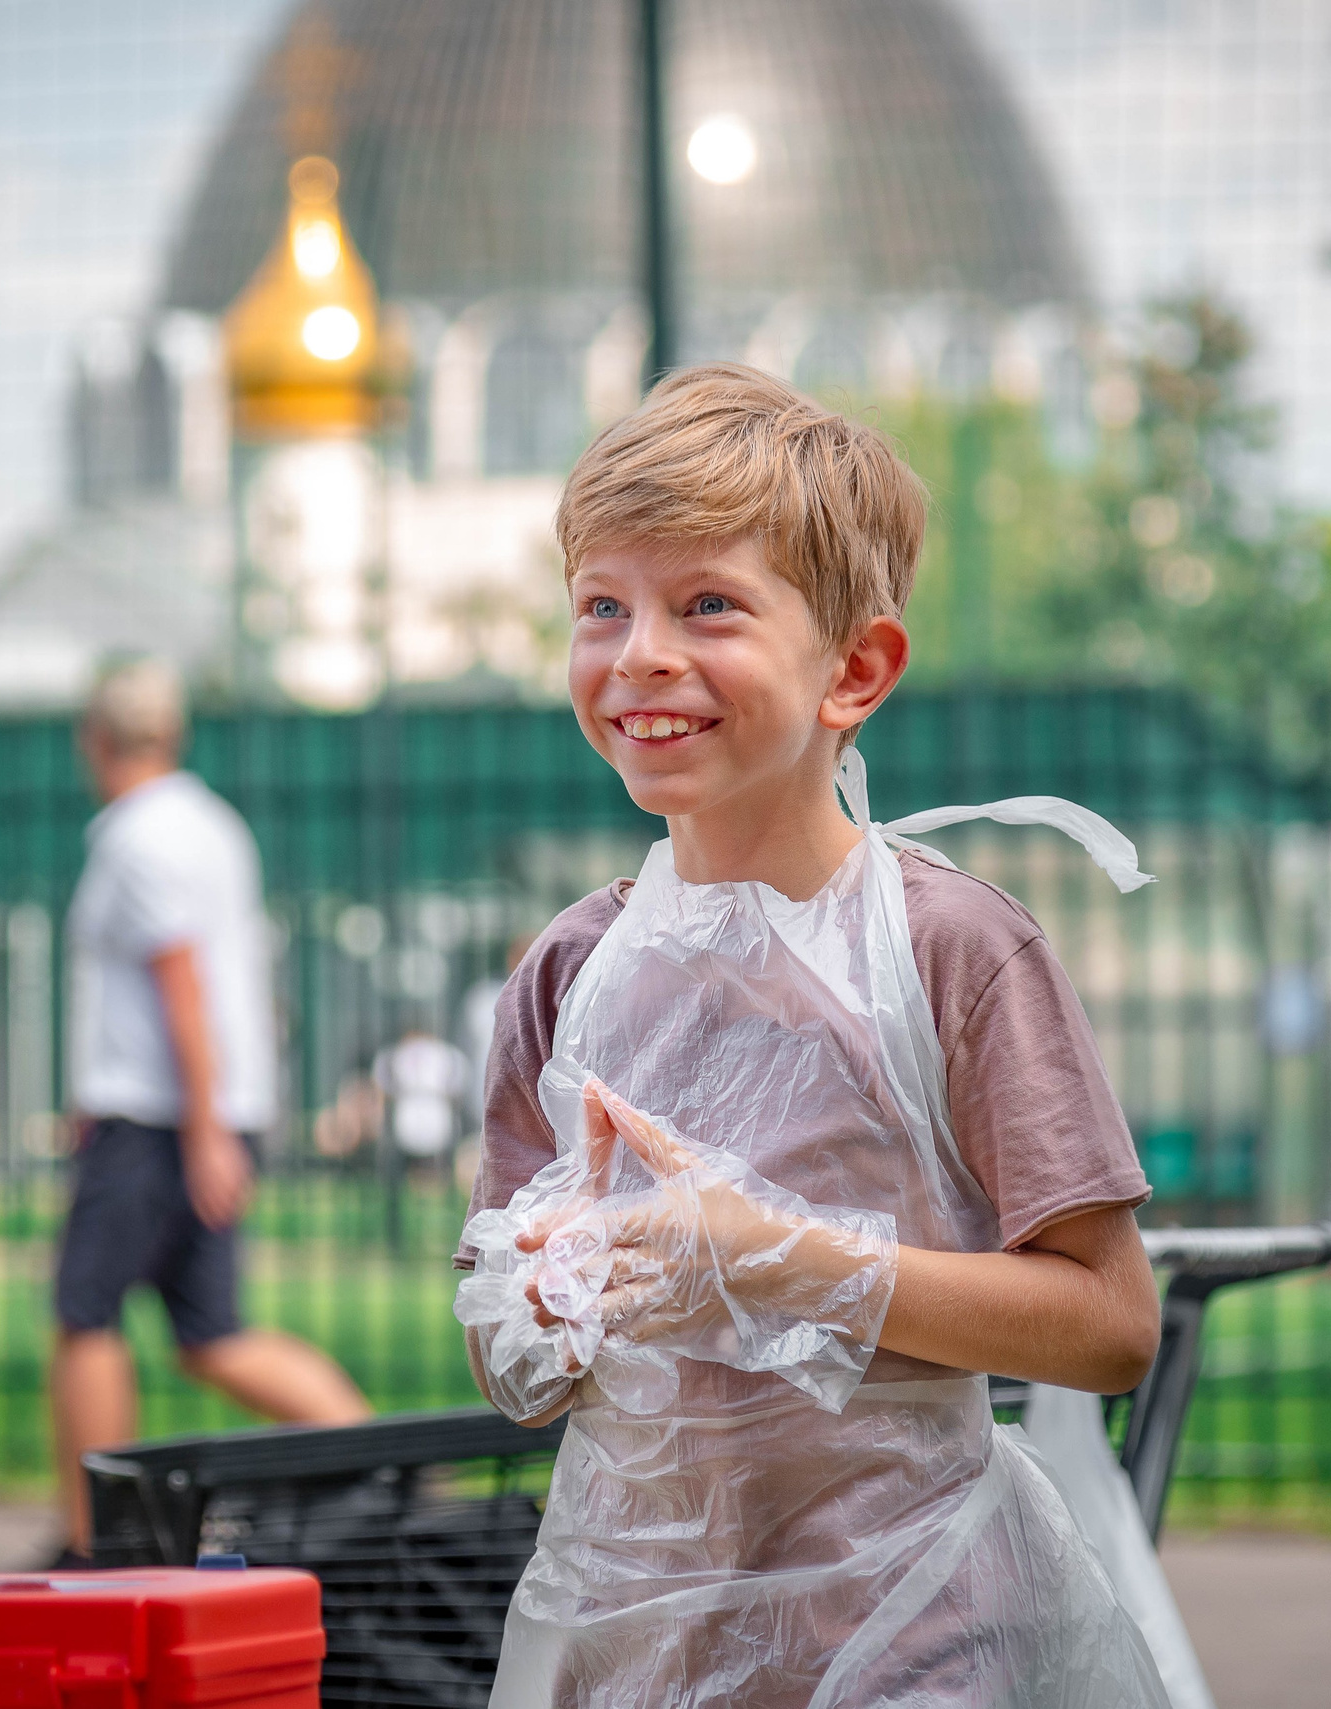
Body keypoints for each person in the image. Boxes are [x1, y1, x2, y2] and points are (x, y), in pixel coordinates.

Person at [455, 365, 1169, 1706]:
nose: (640, 652)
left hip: (914, 1624)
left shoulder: (950, 950)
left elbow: (1111, 1323)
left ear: (854, 669)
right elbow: (512, 1369)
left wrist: (784, 1260)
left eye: (708, 605)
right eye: (602, 605)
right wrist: (539, 1303)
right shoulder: (568, 975)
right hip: (636, 1639)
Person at [50, 657, 369, 1567]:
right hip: (204, 1113)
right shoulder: (212, 825)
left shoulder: (134, 837)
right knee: (211, 1334)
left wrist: (202, 1132)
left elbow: (180, 982)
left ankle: (96, 1546)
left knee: (85, 1316)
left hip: (157, 1119)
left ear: (95, 740)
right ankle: (377, 1463)